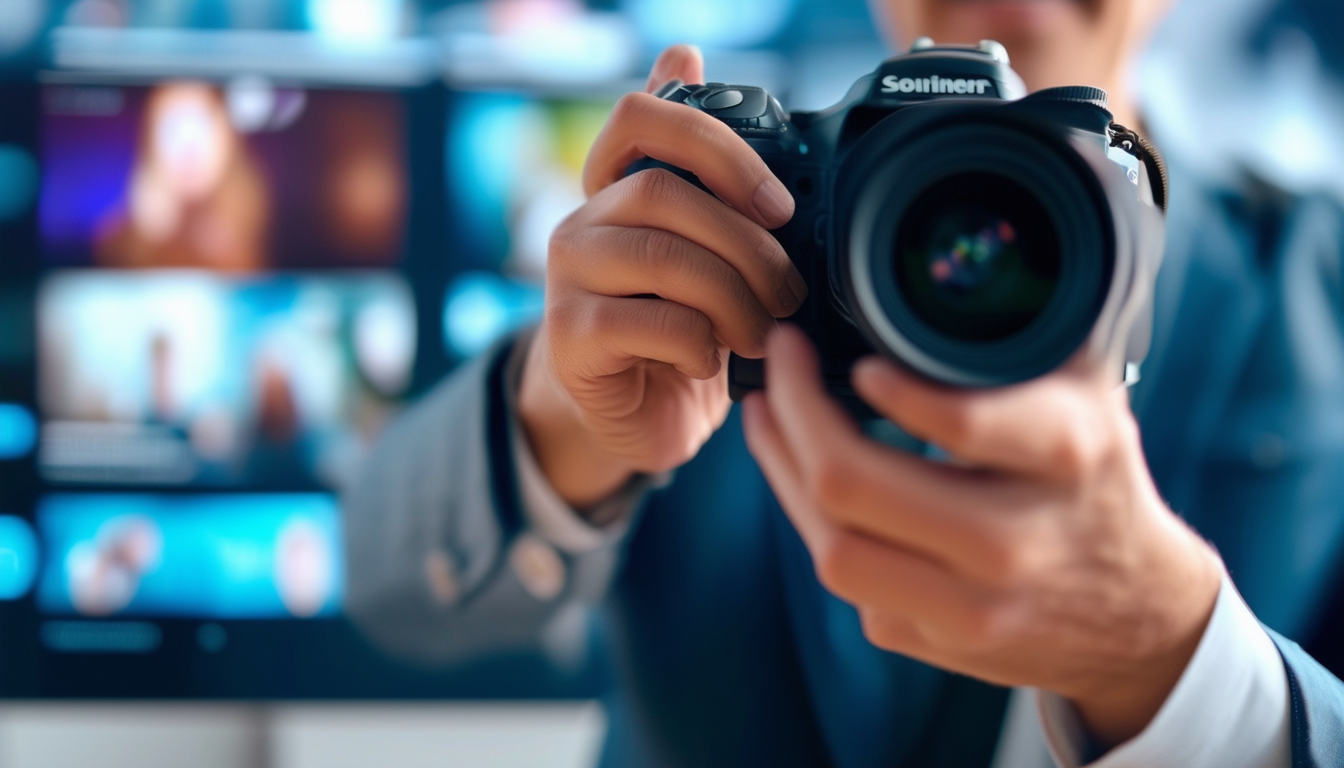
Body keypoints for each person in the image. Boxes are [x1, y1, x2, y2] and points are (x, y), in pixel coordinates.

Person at [344, 0, 1344, 766]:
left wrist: (1171, 656)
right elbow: (388, 591)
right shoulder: (734, 211)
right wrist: (562, 420)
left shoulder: (1323, 286)